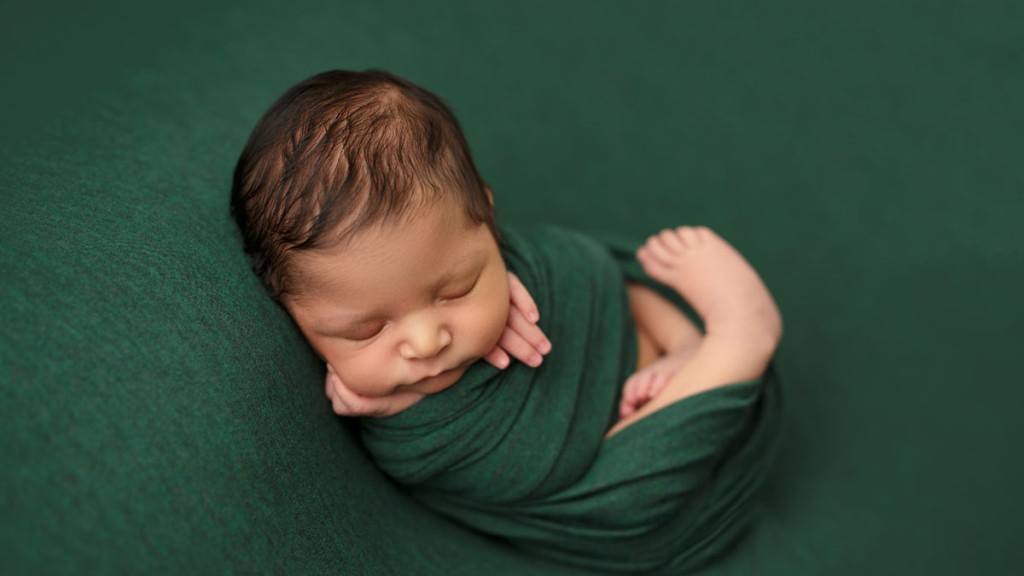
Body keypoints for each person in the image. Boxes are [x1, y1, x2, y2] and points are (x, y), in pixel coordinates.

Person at [231, 68, 782, 573]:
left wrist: (519, 278)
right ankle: (738, 339)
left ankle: (690, 343)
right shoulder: (393, 414)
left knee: (590, 276)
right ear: (293, 315)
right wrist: (400, 408)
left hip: (661, 358)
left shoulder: (507, 262)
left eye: (455, 288)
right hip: (652, 487)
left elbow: (586, 277)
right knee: (625, 502)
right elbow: (499, 472)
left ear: (488, 219)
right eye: (367, 330)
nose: (427, 341)